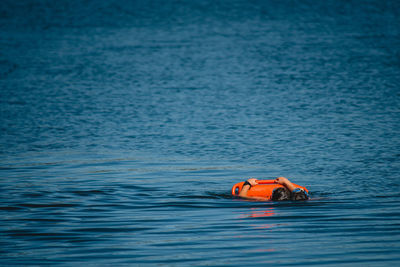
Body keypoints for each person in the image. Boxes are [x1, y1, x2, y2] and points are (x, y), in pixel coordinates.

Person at [238, 177, 309, 201]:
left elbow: (242, 197)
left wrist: (247, 184)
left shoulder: (267, 200)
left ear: (271, 197)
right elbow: (300, 193)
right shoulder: (297, 200)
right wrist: (286, 182)